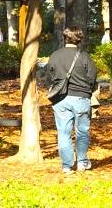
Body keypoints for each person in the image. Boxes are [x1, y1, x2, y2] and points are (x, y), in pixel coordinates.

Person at [45, 27, 97, 174]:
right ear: (79, 40)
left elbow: (48, 78)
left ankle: (67, 166)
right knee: (82, 132)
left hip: (60, 99)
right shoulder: (84, 56)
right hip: (81, 98)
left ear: (64, 38)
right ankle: (82, 163)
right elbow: (92, 78)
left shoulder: (55, 56)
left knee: (63, 133)